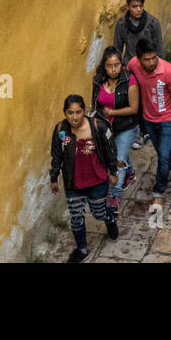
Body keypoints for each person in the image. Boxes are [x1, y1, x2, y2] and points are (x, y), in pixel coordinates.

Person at [49, 94, 119, 261]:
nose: (74, 117)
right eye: (70, 113)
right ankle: (82, 249)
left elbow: (110, 150)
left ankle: (110, 219)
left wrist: (113, 172)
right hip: (73, 183)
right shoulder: (60, 130)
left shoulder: (99, 126)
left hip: (97, 181)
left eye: (78, 112)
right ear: (65, 113)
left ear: (84, 111)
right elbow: (56, 155)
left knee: (98, 213)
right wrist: (53, 178)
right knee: (76, 218)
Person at [127, 43, 171, 211]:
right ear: (139, 60)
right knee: (161, 152)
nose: (151, 62)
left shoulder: (168, 71)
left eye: (154, 58)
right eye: (147, 60)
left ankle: (158, 193)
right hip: (148, 120)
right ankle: (170, 169)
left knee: (163, 157)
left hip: (168, 120)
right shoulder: (133, 65)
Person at [92, 47, 139, 209]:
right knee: (118, 155)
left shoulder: (129, 80)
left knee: (118, 160)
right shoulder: (98, 80)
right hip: (106, 127)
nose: (113, 69)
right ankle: (130, 173)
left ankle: (115, 196)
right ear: (104, 67)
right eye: (109, 65)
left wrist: (112, 112)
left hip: (126, 126)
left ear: (121, 64)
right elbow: (95, 105)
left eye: (117, 65)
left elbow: (134, 108)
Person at [113, 0, 163, 66]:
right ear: (127, 6)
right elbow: (117, 49)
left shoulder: (153, 23)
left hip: (148, 68)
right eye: (135, 7)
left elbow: (159, 51)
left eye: (141, 6)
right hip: (129, 67)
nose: (139, 9)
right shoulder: (121, 24)